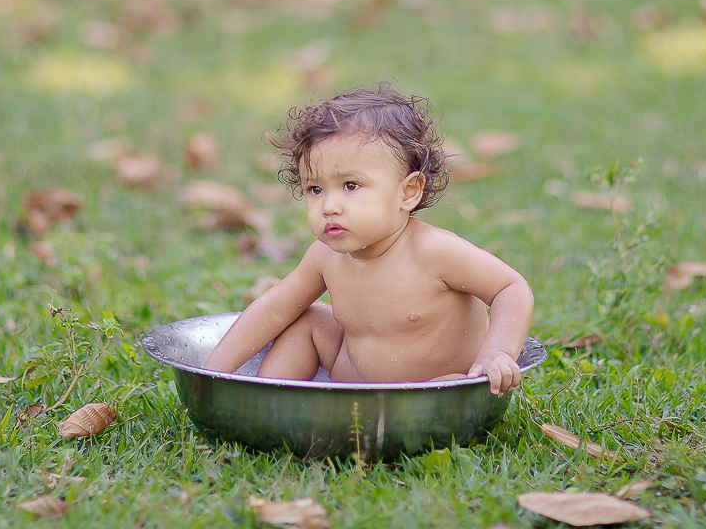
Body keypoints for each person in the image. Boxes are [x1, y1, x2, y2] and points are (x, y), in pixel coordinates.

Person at [204, 84, 534, 395]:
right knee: (307, 319)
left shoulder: (434, 252)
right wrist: (212, 371)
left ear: (408, 192)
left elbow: (511, 289)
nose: (329, 207)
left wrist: (497, 352)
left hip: (433, 389)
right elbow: (275, 309)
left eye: (350, 185)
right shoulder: (324, 256)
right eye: (315, 189)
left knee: (455, 386)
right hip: (350, 377)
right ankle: (267, 398)